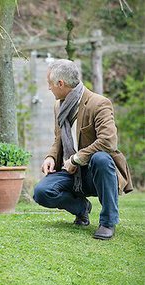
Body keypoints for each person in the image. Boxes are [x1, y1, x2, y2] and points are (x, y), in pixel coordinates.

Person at [33, 59, 133, 240]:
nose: (49, 88)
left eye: (50, 84)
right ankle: (82, 208)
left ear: (60, 84)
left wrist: (76, 159)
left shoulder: (98, 103)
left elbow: (108, 142)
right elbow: (59, 139)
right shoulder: (59, 105)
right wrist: (50, 157)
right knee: (41, 192)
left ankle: (108, 222)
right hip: (71, 172)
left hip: (97, 173)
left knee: (101, 158)